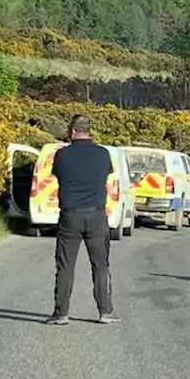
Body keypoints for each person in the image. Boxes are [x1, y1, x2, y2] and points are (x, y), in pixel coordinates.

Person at [45, 114, 119, 325]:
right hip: (96, 214)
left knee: (65, 265)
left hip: (71, 214)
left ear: (72, 131)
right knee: (101, 265)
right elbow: (106, 176)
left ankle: (61, 313)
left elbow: (58, 175)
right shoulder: (103, 154)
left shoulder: (62, 154)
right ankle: (105, 311)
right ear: (89, 130)